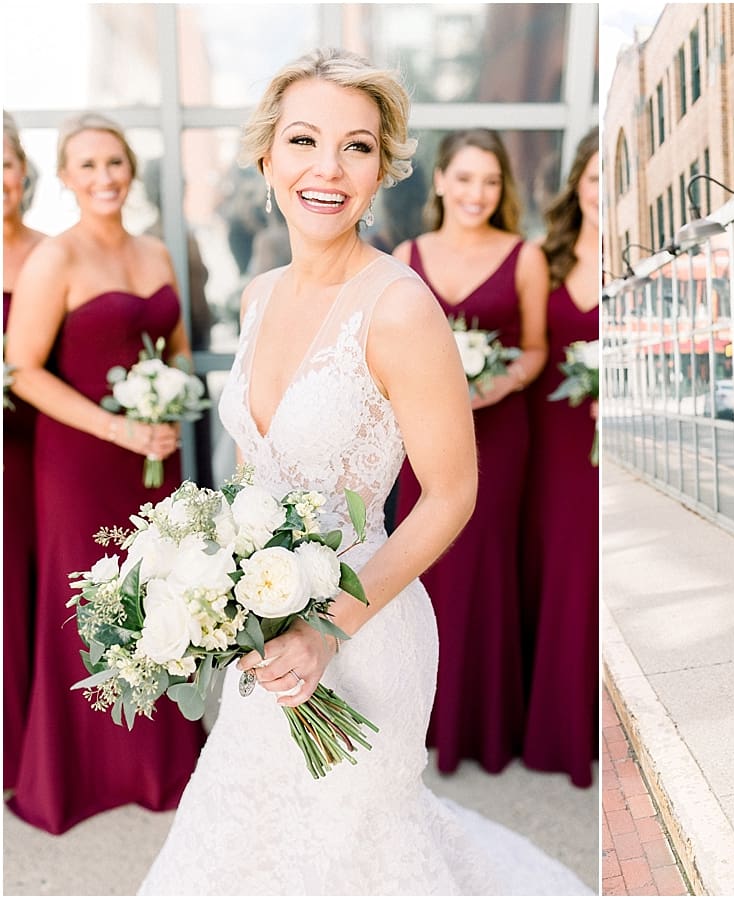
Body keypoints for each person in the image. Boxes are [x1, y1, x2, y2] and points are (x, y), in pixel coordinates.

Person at [137, 49, 585, 894]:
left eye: (358, 147)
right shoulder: (260, 292)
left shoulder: (403, 308)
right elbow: (250, 468)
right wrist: (218, 587)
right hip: (261, 637)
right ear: (267, 154)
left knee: (353, 854)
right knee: (243, 836)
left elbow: (452, 493)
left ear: (383, 170)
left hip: (365, 637)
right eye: (305, 140)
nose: (328, 170)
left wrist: (322, 625)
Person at [5, 113, 205, 833]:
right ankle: (83, 769)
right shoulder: (54, 260)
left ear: (132, 169)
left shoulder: (156, 251)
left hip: (156, 450)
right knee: (91, 606)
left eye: (114, 162)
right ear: (63, 177)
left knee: (164, 594)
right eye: (87, 165)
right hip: (84, 458)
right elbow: (22, 369)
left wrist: (175, 391)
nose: (104, 177)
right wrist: (118, 424)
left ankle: (155, 761)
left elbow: (177, 345)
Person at [391, 128, 549, 775]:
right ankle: (416, 717)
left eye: (489, 181)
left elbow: (537, 348)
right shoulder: (406, 254)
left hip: (498, 434)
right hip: (420, 437)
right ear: (440, 183)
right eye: (464, 178)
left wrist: (497, 382)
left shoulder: (525, 255)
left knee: (481, 566)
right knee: (422, 567)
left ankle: (479, 723)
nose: (476, 193)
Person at [520, 127, 599, 787]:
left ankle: (583, 730)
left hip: (603, 446)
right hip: (545, 442)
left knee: (586, 574)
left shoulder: (638, 258)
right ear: (578, 182)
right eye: (596, 176)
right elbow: (528, 349)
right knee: (546, 569)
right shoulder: (543, 259)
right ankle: (543, 727)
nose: (605, 191)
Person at [3, 112, 47, 791]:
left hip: (37, 444)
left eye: (6, 162)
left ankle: (30, 740)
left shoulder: (52, 251)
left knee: (27, 583)